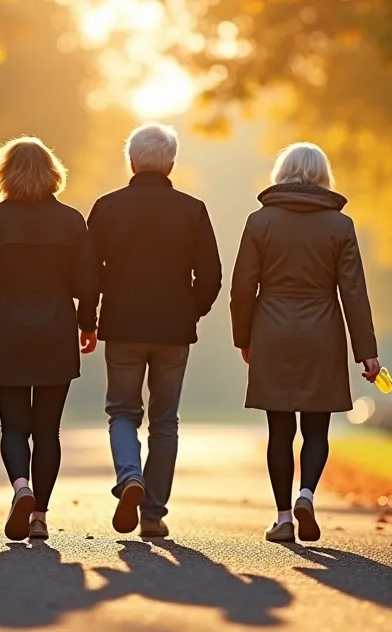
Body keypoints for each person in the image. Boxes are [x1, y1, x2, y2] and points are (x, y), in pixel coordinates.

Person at [228, 142, 381, 543]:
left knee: (279, 429)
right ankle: (307, 495)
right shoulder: (339, 226)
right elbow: (354, 291)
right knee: (316, 428)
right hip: (323, 331)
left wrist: (243, 337)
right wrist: (366, 352)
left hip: (271, 329)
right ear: (322, 175)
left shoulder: (259, 221)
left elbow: (243, 287)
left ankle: (282, 518)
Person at [87, 123, 222, 538]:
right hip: (173, 329)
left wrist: (88, 320)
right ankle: (153, 513)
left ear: (131, 161)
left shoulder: (107, 208)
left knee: (122, 412)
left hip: (123, 325)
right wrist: (191, 311)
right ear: (171, 164)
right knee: (165, 420)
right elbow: (212, 275)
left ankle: (130, 476)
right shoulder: (192, 209)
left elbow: (89, 273)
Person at [0, 136, 100, 542]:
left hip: (8, 330)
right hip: (57, 331)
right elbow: (89, 281)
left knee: (13, 427)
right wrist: (87, 323)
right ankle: (39, 514)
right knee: (48, 430)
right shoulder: (72, 220)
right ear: (53, 173)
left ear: (3, 174)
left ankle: (21, 486)